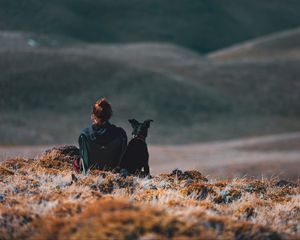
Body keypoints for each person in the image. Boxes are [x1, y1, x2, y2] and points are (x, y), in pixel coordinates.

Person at [76, 98, 127, 174]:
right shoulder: (120, 133)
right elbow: (123, 157)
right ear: (109, 115)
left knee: (76, 161)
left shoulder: (85, 134)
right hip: (113, 172)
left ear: (93, 115)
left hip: (91, 174)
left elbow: (84, 159)